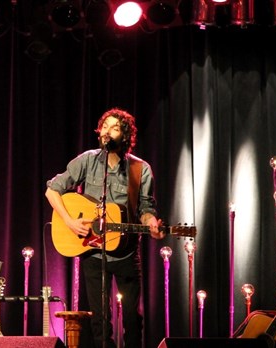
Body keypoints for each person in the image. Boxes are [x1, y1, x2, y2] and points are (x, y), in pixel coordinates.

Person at [45, 107, 164, 348]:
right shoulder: (87, 160)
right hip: (92, 250)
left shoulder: (140, 169)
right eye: (105, 126)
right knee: (100, 321)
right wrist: (69, 220)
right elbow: (52, 190)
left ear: (126, 135)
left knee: (132, 318)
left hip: (126, 253)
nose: (108, 131)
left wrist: (151, 223)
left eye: (115, 127)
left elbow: (145, 208)